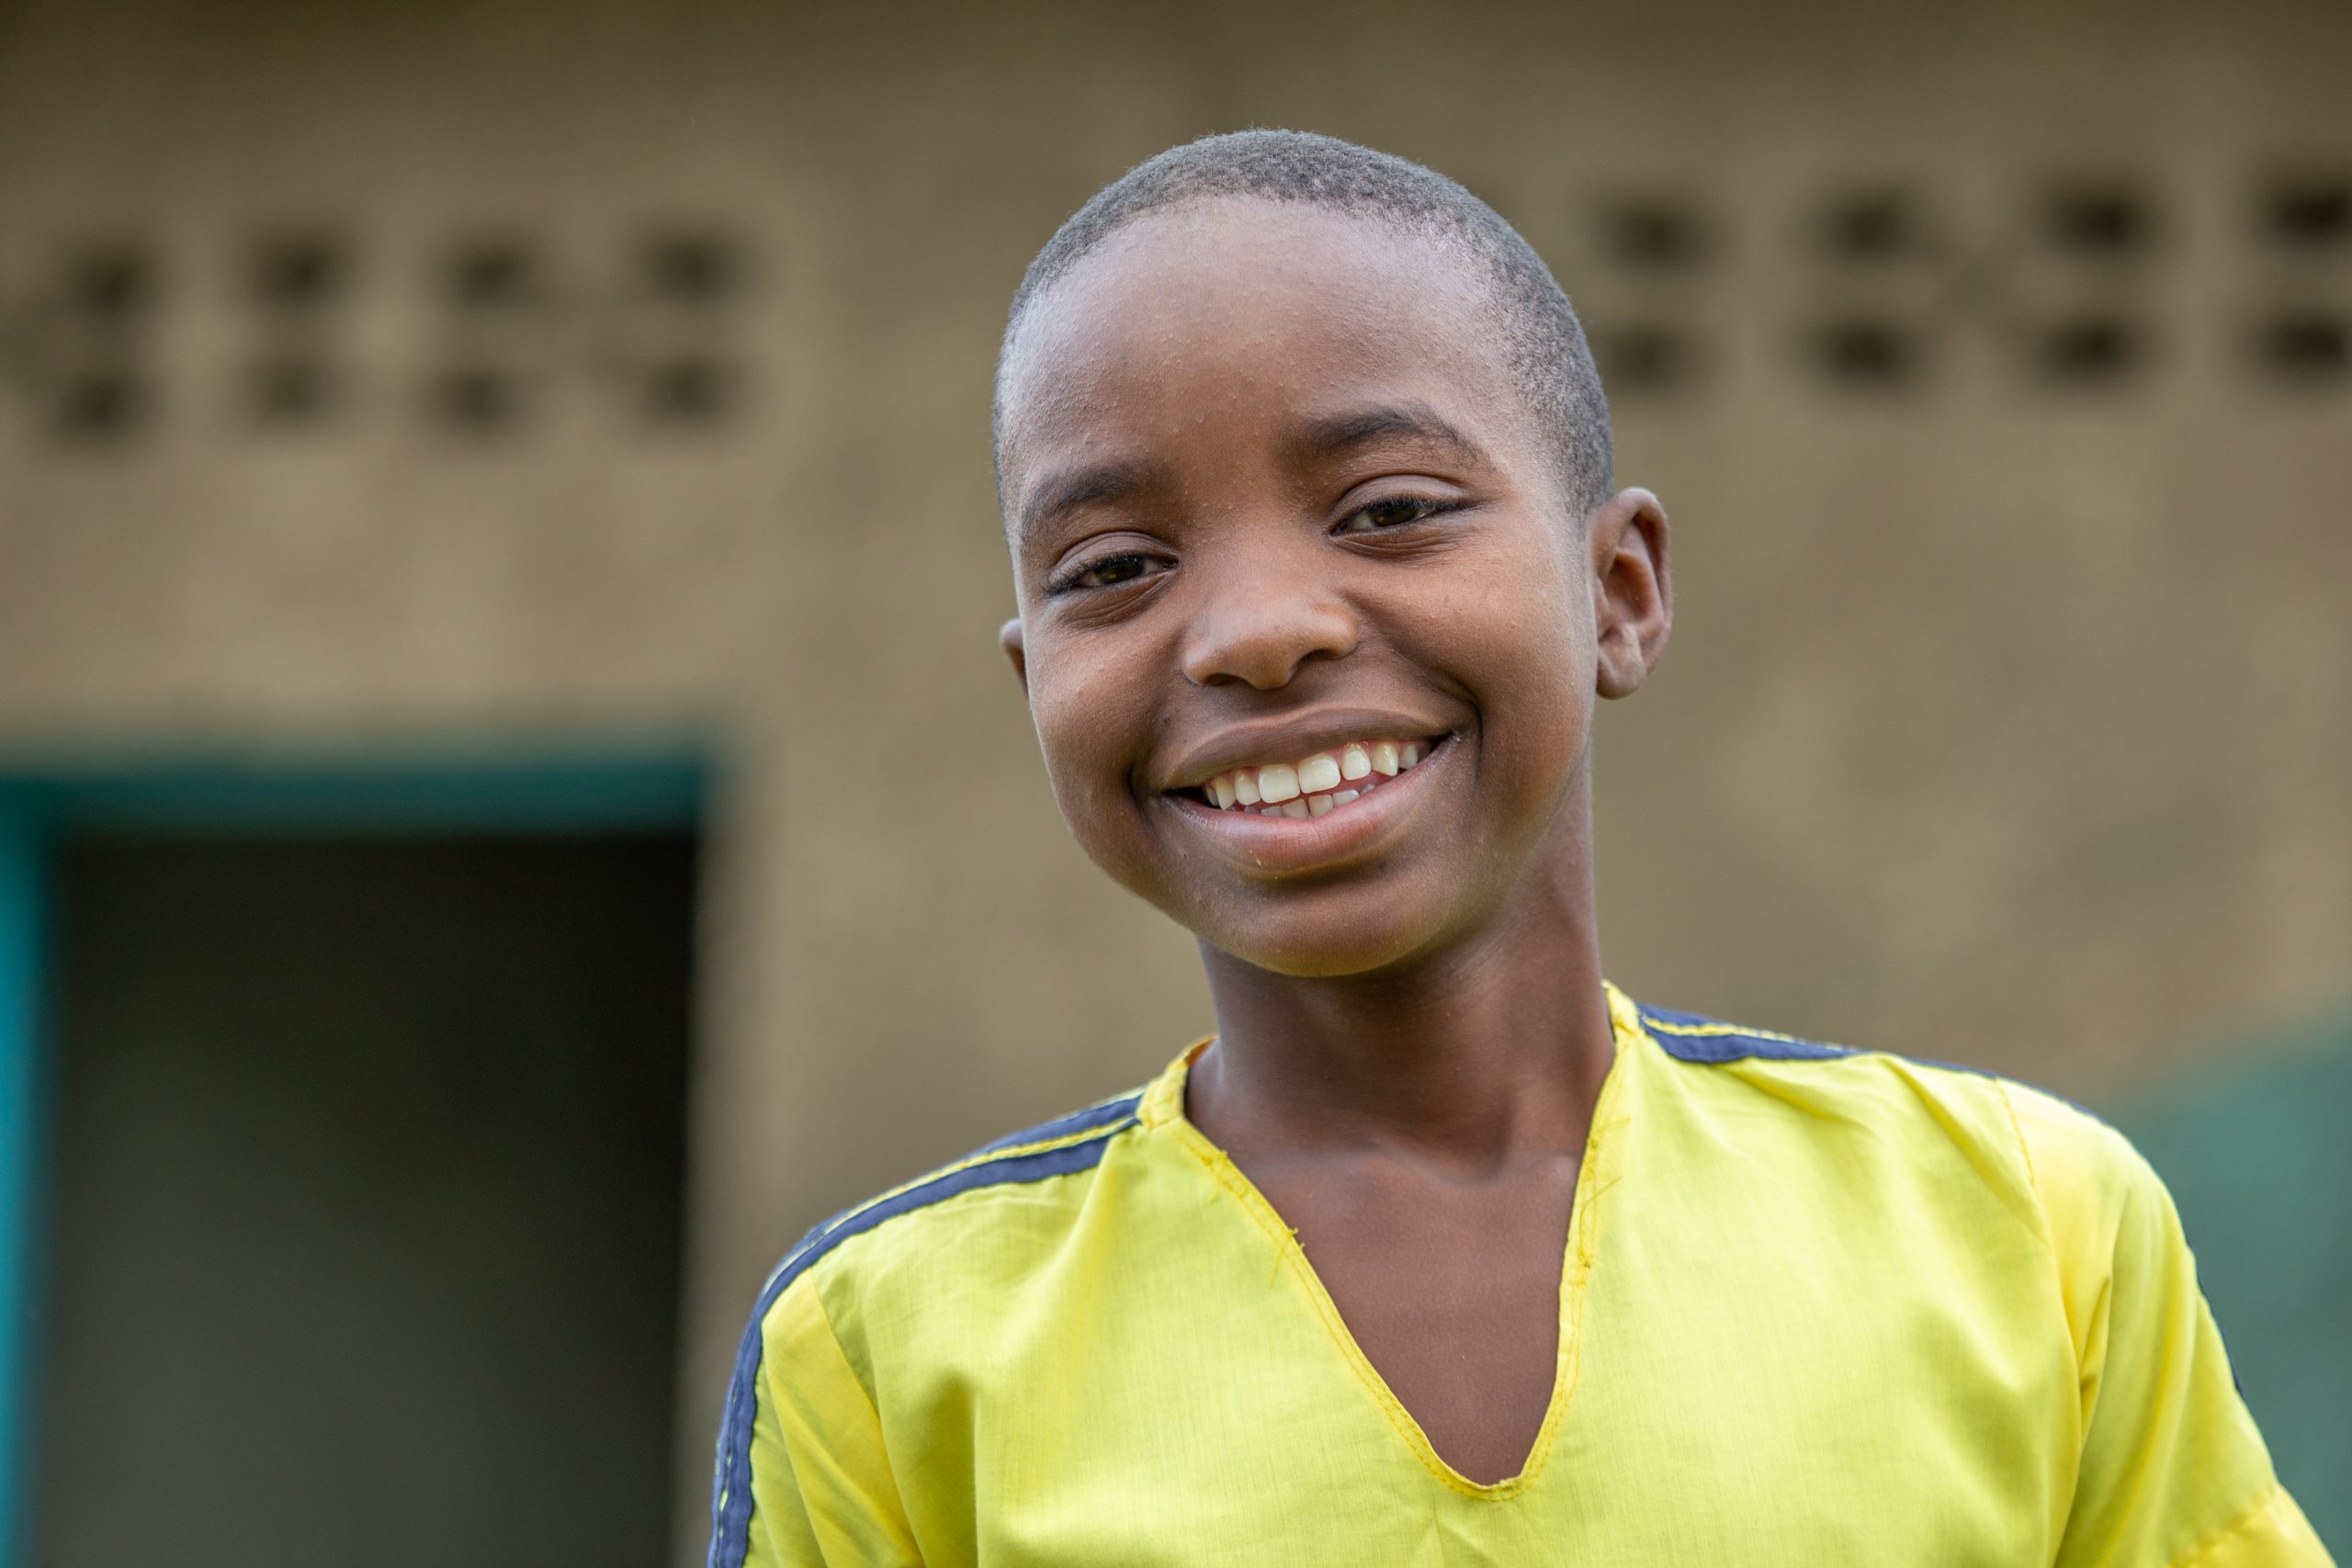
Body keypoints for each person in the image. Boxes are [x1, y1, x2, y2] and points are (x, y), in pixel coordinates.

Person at [706, 130, 2329, 1567]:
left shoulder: (2022, 1233)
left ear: (1618, 590)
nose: (1260, 633)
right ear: (1033, 682)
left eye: (1391, 510)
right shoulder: (891, 1350)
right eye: (1116, 564)